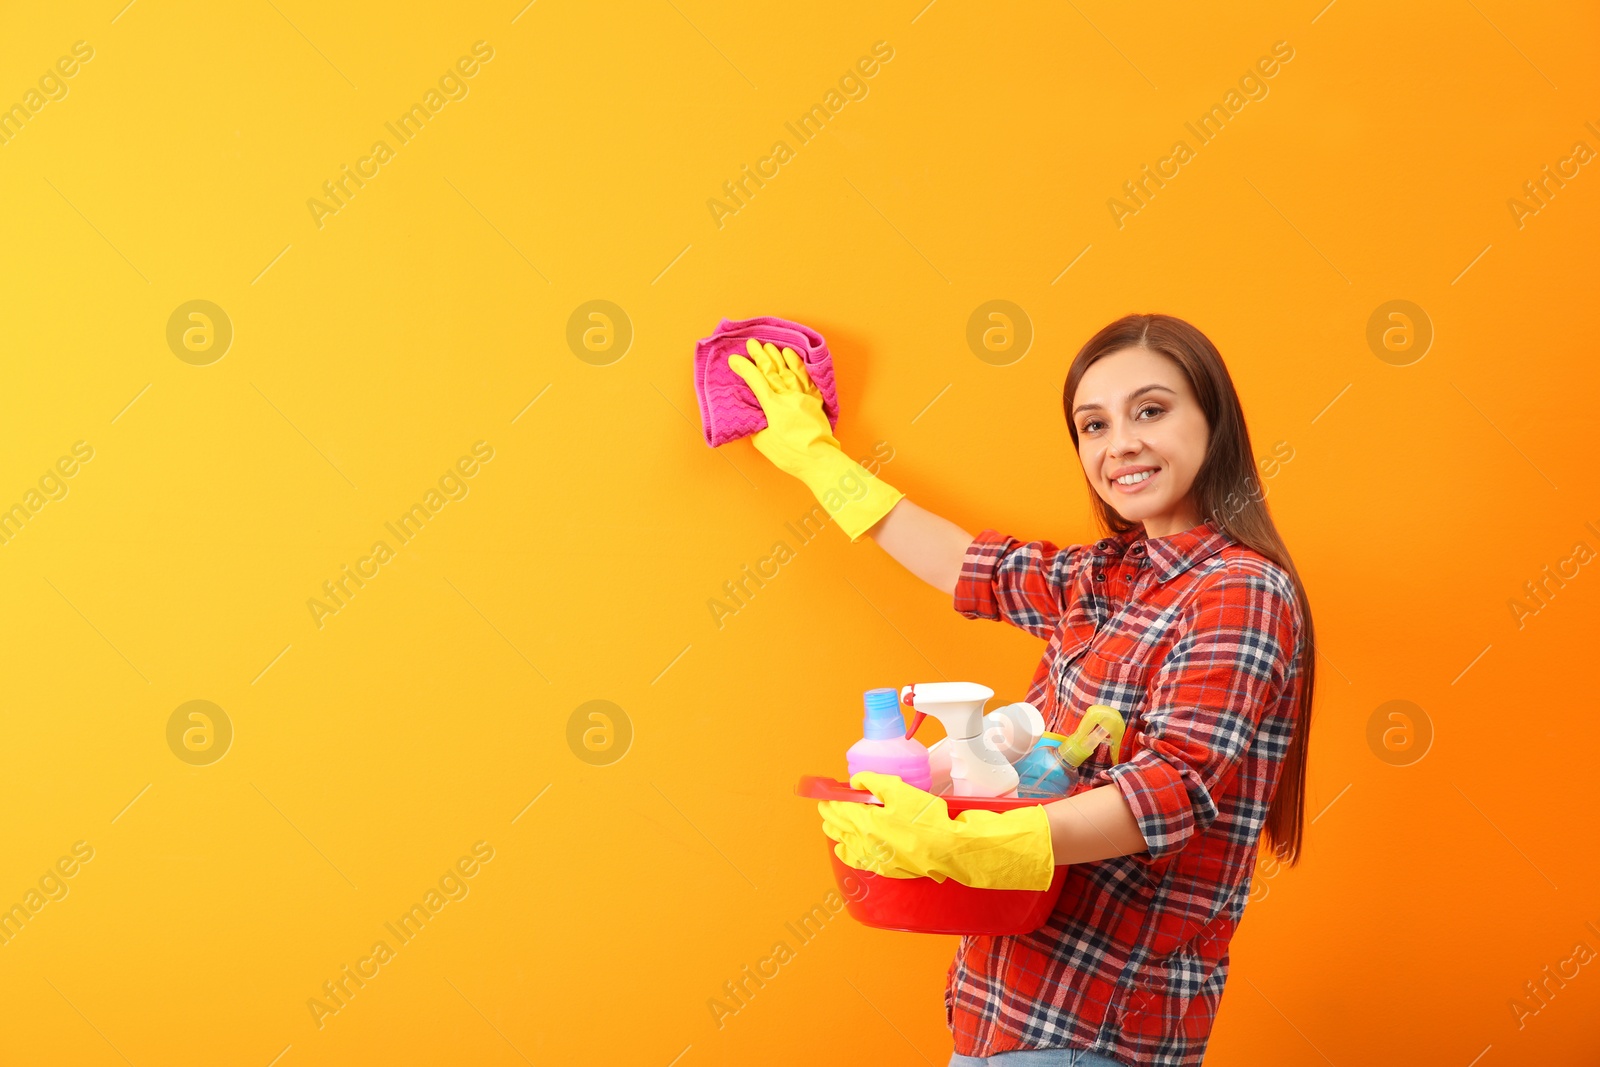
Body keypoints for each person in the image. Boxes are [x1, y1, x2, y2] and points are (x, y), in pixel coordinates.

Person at [727, 313, 1317, 1067]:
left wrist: (976, 841)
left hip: (1096, 1027)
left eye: (1151, 410)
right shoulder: (1106, 579)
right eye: (1093, 425)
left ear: (1215, 418)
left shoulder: (1239, 589)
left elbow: (1175, 788)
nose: (1120, 444)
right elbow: (962, 562)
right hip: (1009, 1011)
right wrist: (814, 456)